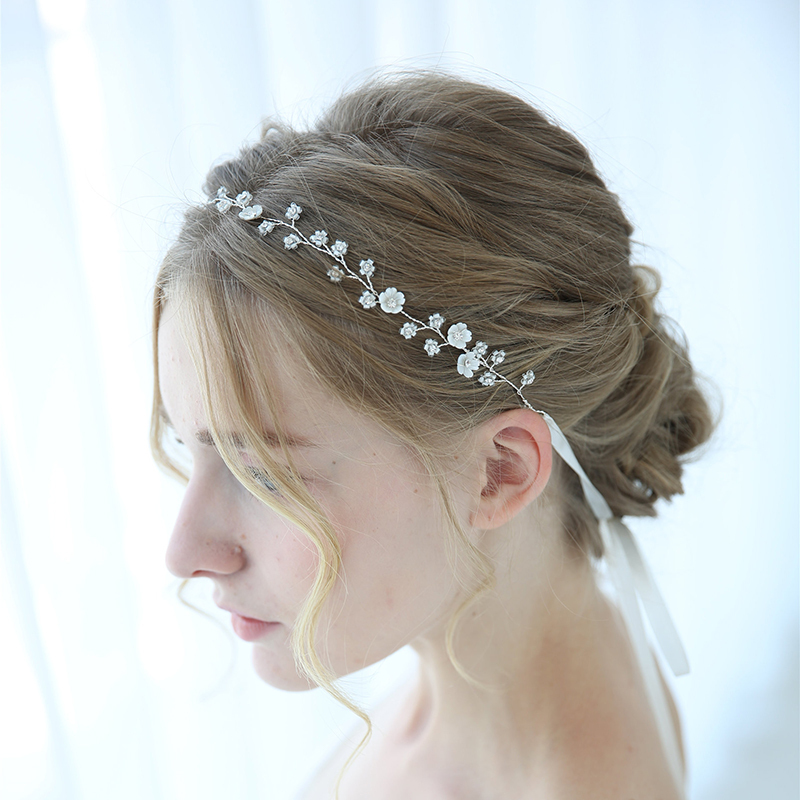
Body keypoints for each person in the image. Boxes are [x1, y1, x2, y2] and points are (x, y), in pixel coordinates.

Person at [151, 71, 714, 799]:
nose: (184, 552)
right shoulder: (503, 668)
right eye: (188, 444)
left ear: (499, 473)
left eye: (265, 475)